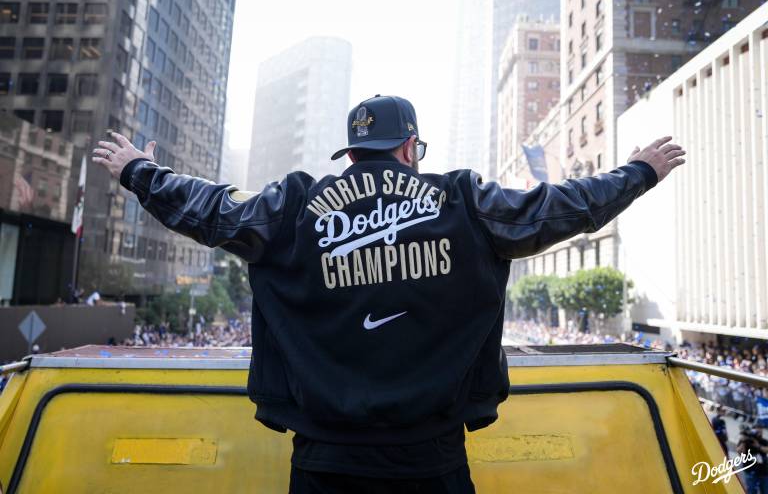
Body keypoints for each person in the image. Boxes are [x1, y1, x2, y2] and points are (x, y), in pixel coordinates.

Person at [92, 95, 685, 493]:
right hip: (434, 460)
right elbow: (559, 209)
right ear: (410, 149)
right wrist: (638, 172)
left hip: (323, 463)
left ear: (350, 155)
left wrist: (138, 171)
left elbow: (214, 212)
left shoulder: (294, 205)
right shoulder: (464, 201)